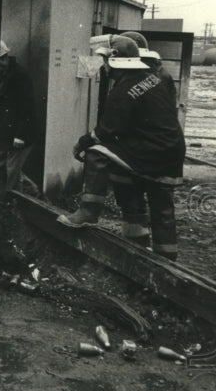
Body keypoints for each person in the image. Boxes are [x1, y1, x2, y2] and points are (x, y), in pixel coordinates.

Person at [58, 35, 186, 260]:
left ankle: (88, 211)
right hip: (171, 152)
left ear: (116, 60)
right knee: (161, 209)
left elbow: (105, 131)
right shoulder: (151, 78)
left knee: (97, 152)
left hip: (151, 152)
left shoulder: (124, 88)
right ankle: (166, 261)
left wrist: (81, 143)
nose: (104, 66)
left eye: (105, 60)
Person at [0, 39, 39, 193]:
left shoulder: (20, 76)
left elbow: (27, 108)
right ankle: (33, 194)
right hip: (5, 132)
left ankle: (9, 204)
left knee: (10, 172)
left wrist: (20, 135)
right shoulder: (1, 75)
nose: (2, 63)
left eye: (3, 59)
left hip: (20, 134)